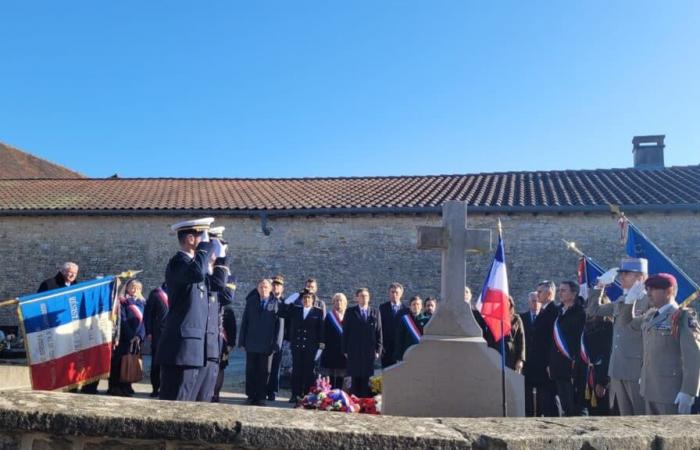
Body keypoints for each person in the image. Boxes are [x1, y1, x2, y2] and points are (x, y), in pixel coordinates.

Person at [156, 217, 220, 401]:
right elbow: (197, 273)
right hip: (181, 349)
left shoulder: (193, 266)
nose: (207, 243)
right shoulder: (178, 263)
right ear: (191, 239)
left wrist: (220, 260)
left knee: (190, 405)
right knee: (177, 403)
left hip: (194, 350)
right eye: (203, 237)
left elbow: (217, 286)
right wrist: (204, 250)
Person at [619, 273, 700, 415]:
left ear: (668, 291)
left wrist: (688, 391)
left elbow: (693, 358)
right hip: (649, 388)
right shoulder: (651, 315)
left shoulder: (682, 317)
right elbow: (627, 324)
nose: (648, 293)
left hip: (671, 393)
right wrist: (629, 302)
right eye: (648, 289)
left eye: (653, 289)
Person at [587, 257, 649, 415]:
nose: (621, 277)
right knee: (623, 418)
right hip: (617, 368)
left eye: (626, 274)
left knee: (640, 416)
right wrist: (600, 284)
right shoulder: (621, 300)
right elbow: (593, 310)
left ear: (640, 277)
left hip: (637, 369)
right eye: (621, 274)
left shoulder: (649, 302)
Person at [239, 278, 284, 406]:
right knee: (251, 370)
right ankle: (250, 395)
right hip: (252, 342)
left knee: (265, 372)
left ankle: (261, 397)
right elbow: (245, 322)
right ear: (257, 289)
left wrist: (277, 344)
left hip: (267, 345)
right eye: (261, 287)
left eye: (265, 287)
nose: (263, 289)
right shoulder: (251, 302)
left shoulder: (276, 303)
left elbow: (279, 326)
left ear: (270, 289)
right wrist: (242, 341)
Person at [549, 281, 586, 416]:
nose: (560, 293)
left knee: (575, 406)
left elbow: (578, 339)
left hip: (573, 366)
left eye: (564, 290)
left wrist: (575, 360)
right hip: (559, 365)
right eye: (559, 290)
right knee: (565, 405)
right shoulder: (559, 312)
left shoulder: (580, 313)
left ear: (574, 293)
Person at [280, 290, 324, 403]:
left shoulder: (318, 312)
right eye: (304, 298)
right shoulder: (295, 310)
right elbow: (282, 312)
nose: (306, 300)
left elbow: (321, 331)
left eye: (309, 298)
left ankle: (307, 395)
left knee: (309, 372)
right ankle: (295, 394)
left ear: (313, 300)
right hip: (297, 346)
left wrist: (320, 347)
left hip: (311, 347)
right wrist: (290, 299)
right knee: (297, 372)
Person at [108, 279, 146, 396]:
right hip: (125, 338)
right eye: (133, 287)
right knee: (120, 362)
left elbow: (145, 321)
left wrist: (139, 336)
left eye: (138, 288)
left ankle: (127, 385)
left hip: (137, 339)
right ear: (127, 288)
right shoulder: (122, 302)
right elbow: (122, 320)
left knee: (131, 362)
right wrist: (131, 336)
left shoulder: (143, 303)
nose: (135, 290)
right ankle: (115, 387)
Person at [342, 288, 382, 398]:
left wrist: (378, 350)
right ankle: (354, 402)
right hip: (354, 350)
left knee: (366, 377)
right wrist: (345, 350)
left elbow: (379, 332)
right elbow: (346, 332)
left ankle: (364, 402)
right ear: (356, 298)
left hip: (369, 351)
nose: (364, 298)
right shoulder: (350, 312)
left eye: (366, 296)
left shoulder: (375, 312)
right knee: (354, 377)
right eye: (361, 296)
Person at [530, 280, 560, 417]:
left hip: (548, 364)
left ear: (549, 293)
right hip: (539, 363)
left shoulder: (554, 311)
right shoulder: (543, 311)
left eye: (540, 292)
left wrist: (550, 362)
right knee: (543, 398)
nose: (538, 295)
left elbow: (552, 340)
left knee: (550, 399)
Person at [576, 308, 613, 416]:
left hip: (600, 373)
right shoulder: (586, 325)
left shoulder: (608, 326)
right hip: (586, 374)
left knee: (601, 411)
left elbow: (608, 354)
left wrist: (603, 382)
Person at [488, 296, 525, 373]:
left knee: (509, 380)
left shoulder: (516, 319)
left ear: (510, 304)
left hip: (511, 355)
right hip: (496, 352)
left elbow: (521, 340)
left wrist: (520, 360)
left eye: (506, 302)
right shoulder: (493, 318)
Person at [144, 283, 169, 397]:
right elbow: (148, 314)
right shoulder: (156, 294)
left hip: (173, 333)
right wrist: (148, 331)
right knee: (156, 363)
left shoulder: (179, 291)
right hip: (158, 333)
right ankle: (155, 388)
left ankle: (167, 388)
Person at [321, 293, 348, 390]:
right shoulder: (329, 316)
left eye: (341, 300)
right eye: (336, 300)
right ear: (333, 303)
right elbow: (324, 333)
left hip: (344, 350)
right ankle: (331, 396)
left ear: (345, 303)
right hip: (331, 349)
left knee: (342, 374)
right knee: (331, 375)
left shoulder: (349, 315)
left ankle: (341, 395)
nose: (338, 302)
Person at [379, 282, 409, 368]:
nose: (394, 294)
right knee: (386, 372)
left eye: (397, 292)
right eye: (392, 292)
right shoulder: (382, 308)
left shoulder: (406, 310)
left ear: (401, 294)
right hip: (386, 348)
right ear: (389, 293)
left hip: (401, 347)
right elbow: (380, 327)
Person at [266, 275, 285, 401]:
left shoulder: (285, 303)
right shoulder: (266, 300)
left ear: (282, 288)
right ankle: (263, 389)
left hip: (279, 341)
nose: (275, 287)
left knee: (275, 368)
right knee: (265, 368)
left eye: (278, 285)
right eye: (273, 284)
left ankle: (272, 391)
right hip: (266, 340)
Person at [520, 291, 540, 416]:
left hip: (541, 362)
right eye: (533, 300)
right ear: (529, 302)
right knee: (526, 391)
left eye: (537, 300)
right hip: (527, 361)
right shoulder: (522, 318)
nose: (535, 303)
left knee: (542, 394)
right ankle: (527, 414)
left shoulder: (546, 317)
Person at [394, 296, 430, 361]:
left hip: (421, 352)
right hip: (407, 352)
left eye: (418, 304)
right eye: (413, 304)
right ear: (410, 307)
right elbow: (399, 339)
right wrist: (398, 356)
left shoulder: (426, 320)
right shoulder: (404, 320)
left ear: (421, 306)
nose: (416, 306)